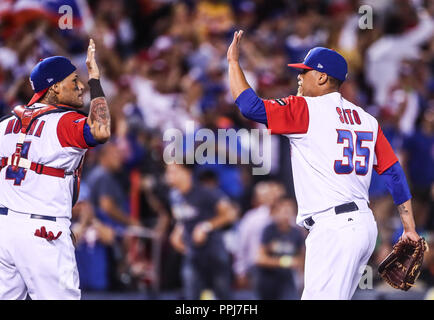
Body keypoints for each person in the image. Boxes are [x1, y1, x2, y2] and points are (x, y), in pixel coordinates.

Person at [227, 30, 420, 300]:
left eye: (304, 71)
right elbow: (393, 172)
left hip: (334, 229)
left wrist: (234, 64)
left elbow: (249, 107)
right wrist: (409, 227)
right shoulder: (367, 119)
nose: (299, 76)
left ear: (321, 77)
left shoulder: (307, 109)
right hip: (364, 227)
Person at [0, 39, 111, 299]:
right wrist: (96, 79)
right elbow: (101, 129)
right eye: (74, 81)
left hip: (4, 230)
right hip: (43, 233)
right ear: (54, 88)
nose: (81, 85)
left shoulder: (5, 124)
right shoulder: (64, 122)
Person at [166, 162, 238, 300]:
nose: (169, 176)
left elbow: (230, 214)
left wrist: (206, 226)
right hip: (193, 254)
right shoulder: (175, 196)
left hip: (214, 253)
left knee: (223, 296)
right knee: (191, 295)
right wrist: (178, 231)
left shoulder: (205, 192)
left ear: (186, 173)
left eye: (173, 171)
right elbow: (185, 217)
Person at [255, 197, 305, 300]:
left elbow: (301, 260)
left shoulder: (296, 233)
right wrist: (285, 262)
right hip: (268, 281)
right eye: (283, 210)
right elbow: (260, 259)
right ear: (276, 212)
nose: (286, 215)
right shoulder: (269, 231)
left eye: (289, 211)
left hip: (287, 281)